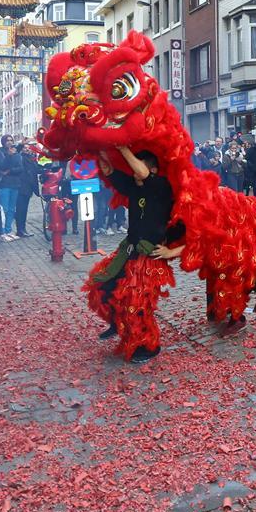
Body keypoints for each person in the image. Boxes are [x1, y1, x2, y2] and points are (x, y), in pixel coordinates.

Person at [93, 148, 186, 363]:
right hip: (130, 249)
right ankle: (118, 322)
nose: (136, 172)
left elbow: (197, 237)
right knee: (102, 286)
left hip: (150, 256)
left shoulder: (162, 187)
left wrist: (122, 147)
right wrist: (103, 157)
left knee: (139, 302)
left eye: (140, 166)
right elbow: (113, 174)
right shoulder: (135, 187)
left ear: (153, 170)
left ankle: (150, 346)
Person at [0, 135, 23, 241]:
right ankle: (1, 232)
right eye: (7, 140)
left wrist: (10, 171)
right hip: (4, 184)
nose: (9, 142)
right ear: (3, 142)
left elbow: (20, 168)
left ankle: (8, 230)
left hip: (15, 184)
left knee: (11, 209)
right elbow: (1, 166)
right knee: (4, 209)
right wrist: (9, 157)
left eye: (11, 140)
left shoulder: (16, 153)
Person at [14, 144, 39, 238]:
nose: (27, 149)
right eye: (25, 148)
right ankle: (20, 230)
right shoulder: (20, 158)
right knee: (20, 209)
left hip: (28, 187)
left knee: (24, 210)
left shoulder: (31, 159)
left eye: (29, 148)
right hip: (22, 187)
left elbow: (35, 171)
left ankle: (23, 229)